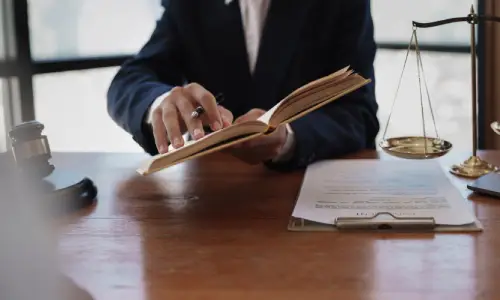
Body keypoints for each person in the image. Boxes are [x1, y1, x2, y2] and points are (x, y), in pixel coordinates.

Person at [107, 0, 379, 170]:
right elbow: (130, 79)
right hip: (210, 202)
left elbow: (359, 113)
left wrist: (288, 138)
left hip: (310, 193)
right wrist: (162, 102)